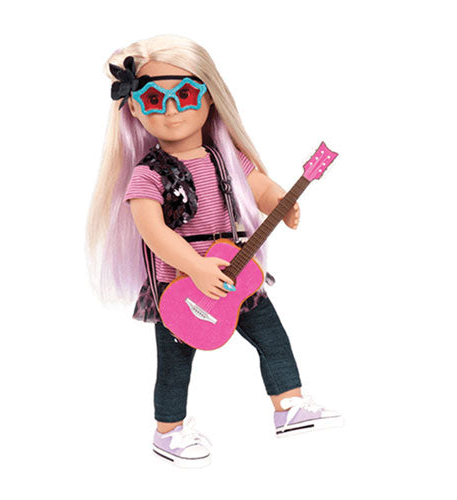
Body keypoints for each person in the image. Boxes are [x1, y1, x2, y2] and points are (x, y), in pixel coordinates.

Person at [87, 34, 342, 468]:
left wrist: (282, 200)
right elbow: (153, 231)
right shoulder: (148, 175)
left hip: (235, 274)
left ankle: (289, 405)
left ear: (209, 97)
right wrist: (196, 268)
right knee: (174, 362)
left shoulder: (225, 158)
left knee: (272, 338)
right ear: (134, 107)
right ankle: (168, 431)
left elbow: (257, 186)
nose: (172, 111)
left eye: (185, 95)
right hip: (178, 285)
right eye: (153, 99)